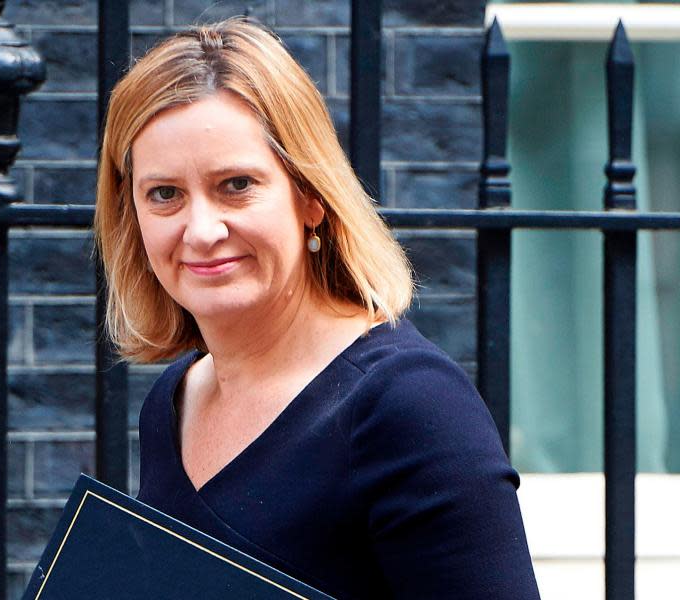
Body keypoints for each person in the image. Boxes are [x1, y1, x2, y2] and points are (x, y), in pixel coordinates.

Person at [94, 18, 540, 599]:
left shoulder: (409, 406)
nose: (200, 230)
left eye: (236, 184)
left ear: (311, 198)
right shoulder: (171, 403)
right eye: (164, 194)